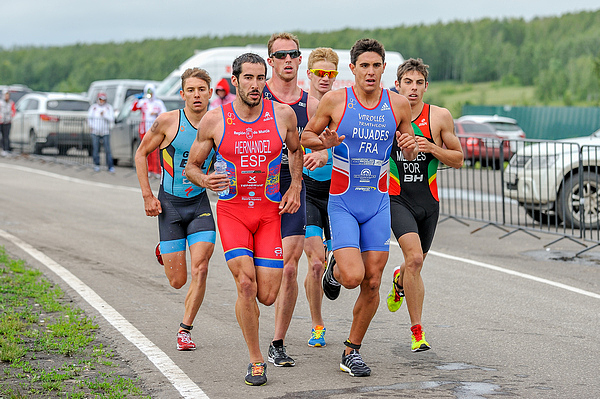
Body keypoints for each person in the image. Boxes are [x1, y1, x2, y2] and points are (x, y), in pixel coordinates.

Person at [301, 38, 418, 377]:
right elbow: (306, 137)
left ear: (384, 69)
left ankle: (351, 351)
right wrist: (322, 142)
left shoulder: (397, 105)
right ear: (352, 69)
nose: (370, 71)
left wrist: (410, 147)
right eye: (363, 66)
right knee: (353, 277)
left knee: (372, 281)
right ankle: (334, 268)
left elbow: (408, 150)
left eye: (375, 66)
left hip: (378, 203)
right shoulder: (336, 100)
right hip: (344, 202)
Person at [185, 53, 302, 386]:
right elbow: (192, 166)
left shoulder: (283, 115)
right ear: (234, 81)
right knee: (246, 285)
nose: (255, 85)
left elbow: (295, 150)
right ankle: (255, 360)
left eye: (260, 78)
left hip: (268, 213)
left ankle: (250, 313)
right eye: (248, 78)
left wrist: (295, 184)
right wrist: (204, 180)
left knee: (266, 295)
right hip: (233, 212)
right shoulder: (214, 120)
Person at [134, 68, 217, 352]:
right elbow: (141, 153)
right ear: (182, 94)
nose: (197, 95)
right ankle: (165, 250)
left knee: (202, 268)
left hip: (199, 205)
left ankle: (185, 329)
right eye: (191, 90)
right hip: (169, 205)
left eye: (201, 90)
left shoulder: (220, 123)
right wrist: (147, 195)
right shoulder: (168, 122)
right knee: (178, 281)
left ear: (210, 92)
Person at [386, 58, 464, 351]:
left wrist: (431, 147)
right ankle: (417, 332)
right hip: (397, 198)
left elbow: (458, 159)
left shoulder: (439, 116)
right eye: (408, 82)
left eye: (419, 83)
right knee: (415, 260)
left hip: (428, 203)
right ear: (397, 85)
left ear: (426, 87)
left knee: (414, 266)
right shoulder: (388, 114)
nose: (413, 89)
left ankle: (400, 279)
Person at [301, 47, 339, 348]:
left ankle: (335, 273)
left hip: (339, 194)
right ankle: (317, 324)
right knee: (314, 263)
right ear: (309, 74)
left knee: (343, 263)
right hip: (309, 194)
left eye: (331, 74)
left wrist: (327, 152)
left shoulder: (341, 106)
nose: (325, 79)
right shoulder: (298, 107)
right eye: (320, 74)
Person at [133, 83, 166, 178]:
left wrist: (156, 113)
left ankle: (158, 171)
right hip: (144, 130)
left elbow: (164, 113)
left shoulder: (158, 103)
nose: (149, 94)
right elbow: (133, 108)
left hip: (156, 131)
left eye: (151, 92)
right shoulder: (143, 102)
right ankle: (150, 170)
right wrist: (137, 99)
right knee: (146, 152)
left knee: (156, 152)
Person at [87, 92, 115, 172]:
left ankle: (110, 166)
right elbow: (89, 118)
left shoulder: (108, 108)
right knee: (96, 148)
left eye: (103, 99)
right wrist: (92, 127)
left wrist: (105, 115)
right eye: (100, 99)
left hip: (105, 131)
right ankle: (96, 164)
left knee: (107, 149)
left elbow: (112, 119)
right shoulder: (93, 107)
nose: (101, 101)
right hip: (95, 132)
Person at [0, 90, 16, 157]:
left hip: (7, 122)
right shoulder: (1, 103)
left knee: (6, 136)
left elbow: (13, 111)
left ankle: (6, 150)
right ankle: (2, 148)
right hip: (1, 121)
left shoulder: (11, 103)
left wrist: (10, 117)